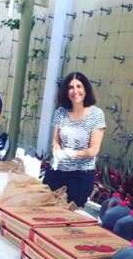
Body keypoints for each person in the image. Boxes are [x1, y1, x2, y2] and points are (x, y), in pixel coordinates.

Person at [43, 72, 106, 207]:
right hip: (57, 170)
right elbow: (55, 140)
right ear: (66, 92)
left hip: (81, 175)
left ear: (86, 89)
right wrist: (56, 149)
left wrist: (73, 153)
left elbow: (94, 150)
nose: (75, 91)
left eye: (79, 86)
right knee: (45, 208)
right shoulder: (61, 112)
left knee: (72, 214)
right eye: (71, 87)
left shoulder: (96, 114)